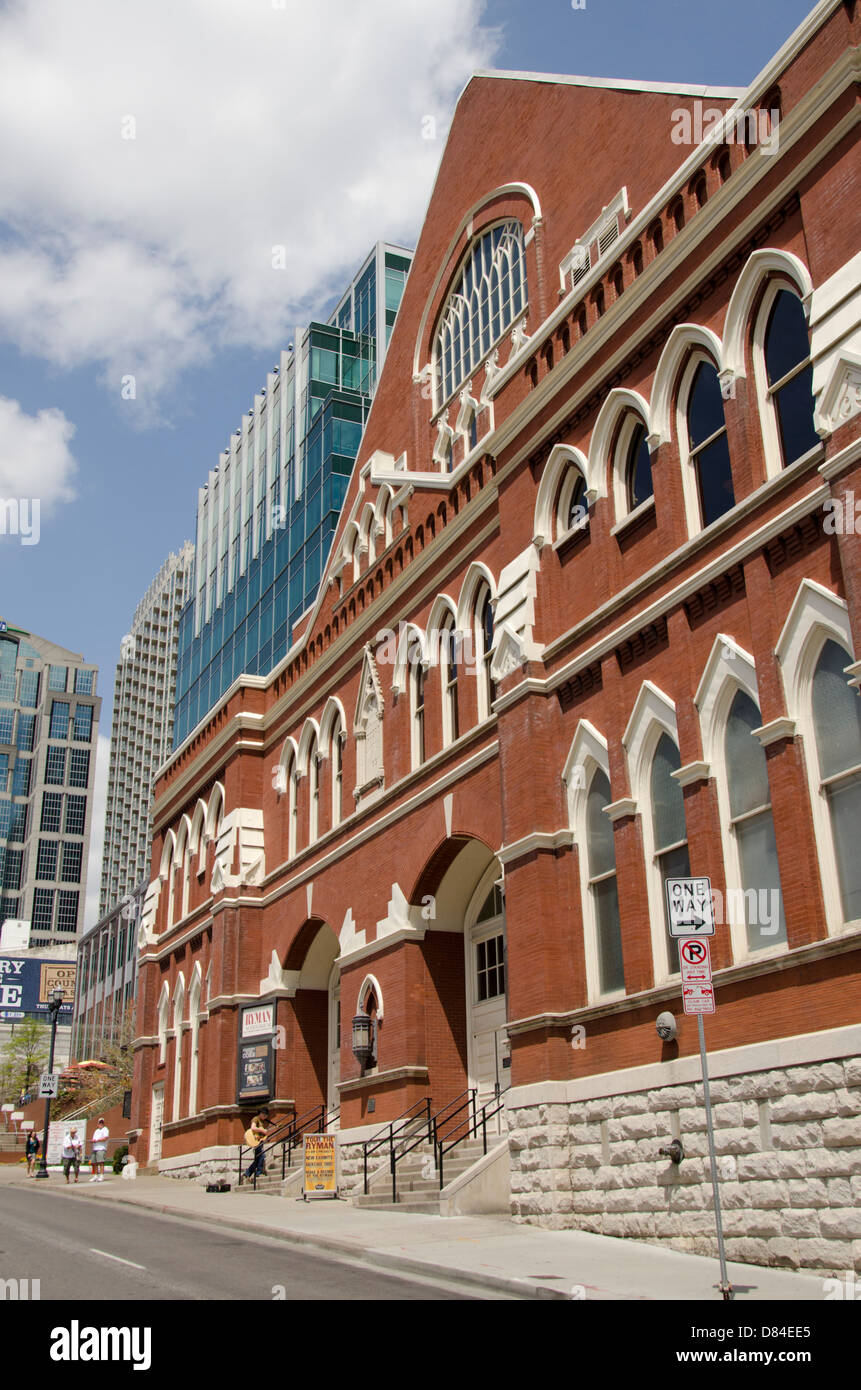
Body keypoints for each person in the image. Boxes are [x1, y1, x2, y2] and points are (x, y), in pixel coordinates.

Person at [243, 1112, 269, 1180]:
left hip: (259, 1141)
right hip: (255, 1141)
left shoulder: (262, 1122)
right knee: (262, 1155)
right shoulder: (256, 1119)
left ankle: (247, 1173)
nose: (265, 1117)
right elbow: (253, 1128)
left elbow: (261, 1135)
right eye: (264, 1115)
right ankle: (258, 1173)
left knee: (257, 1159)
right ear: (261, 1113)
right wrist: (262, 1130)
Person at [90, 1116, 109, 1182]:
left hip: (101, 1148)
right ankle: (95, 1176)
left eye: (102, 1123)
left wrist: (97, 1140)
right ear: (97, 1124)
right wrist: (92, 1141)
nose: (101, 1124)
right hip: (95, 1148)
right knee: (94, 1163)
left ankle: (101, 1175)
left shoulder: (105, 1129)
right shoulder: (96, 1131)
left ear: (103, 1123)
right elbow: (94, 1139)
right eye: (100, 1123)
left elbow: (105, 1138)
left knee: (101, 1162)